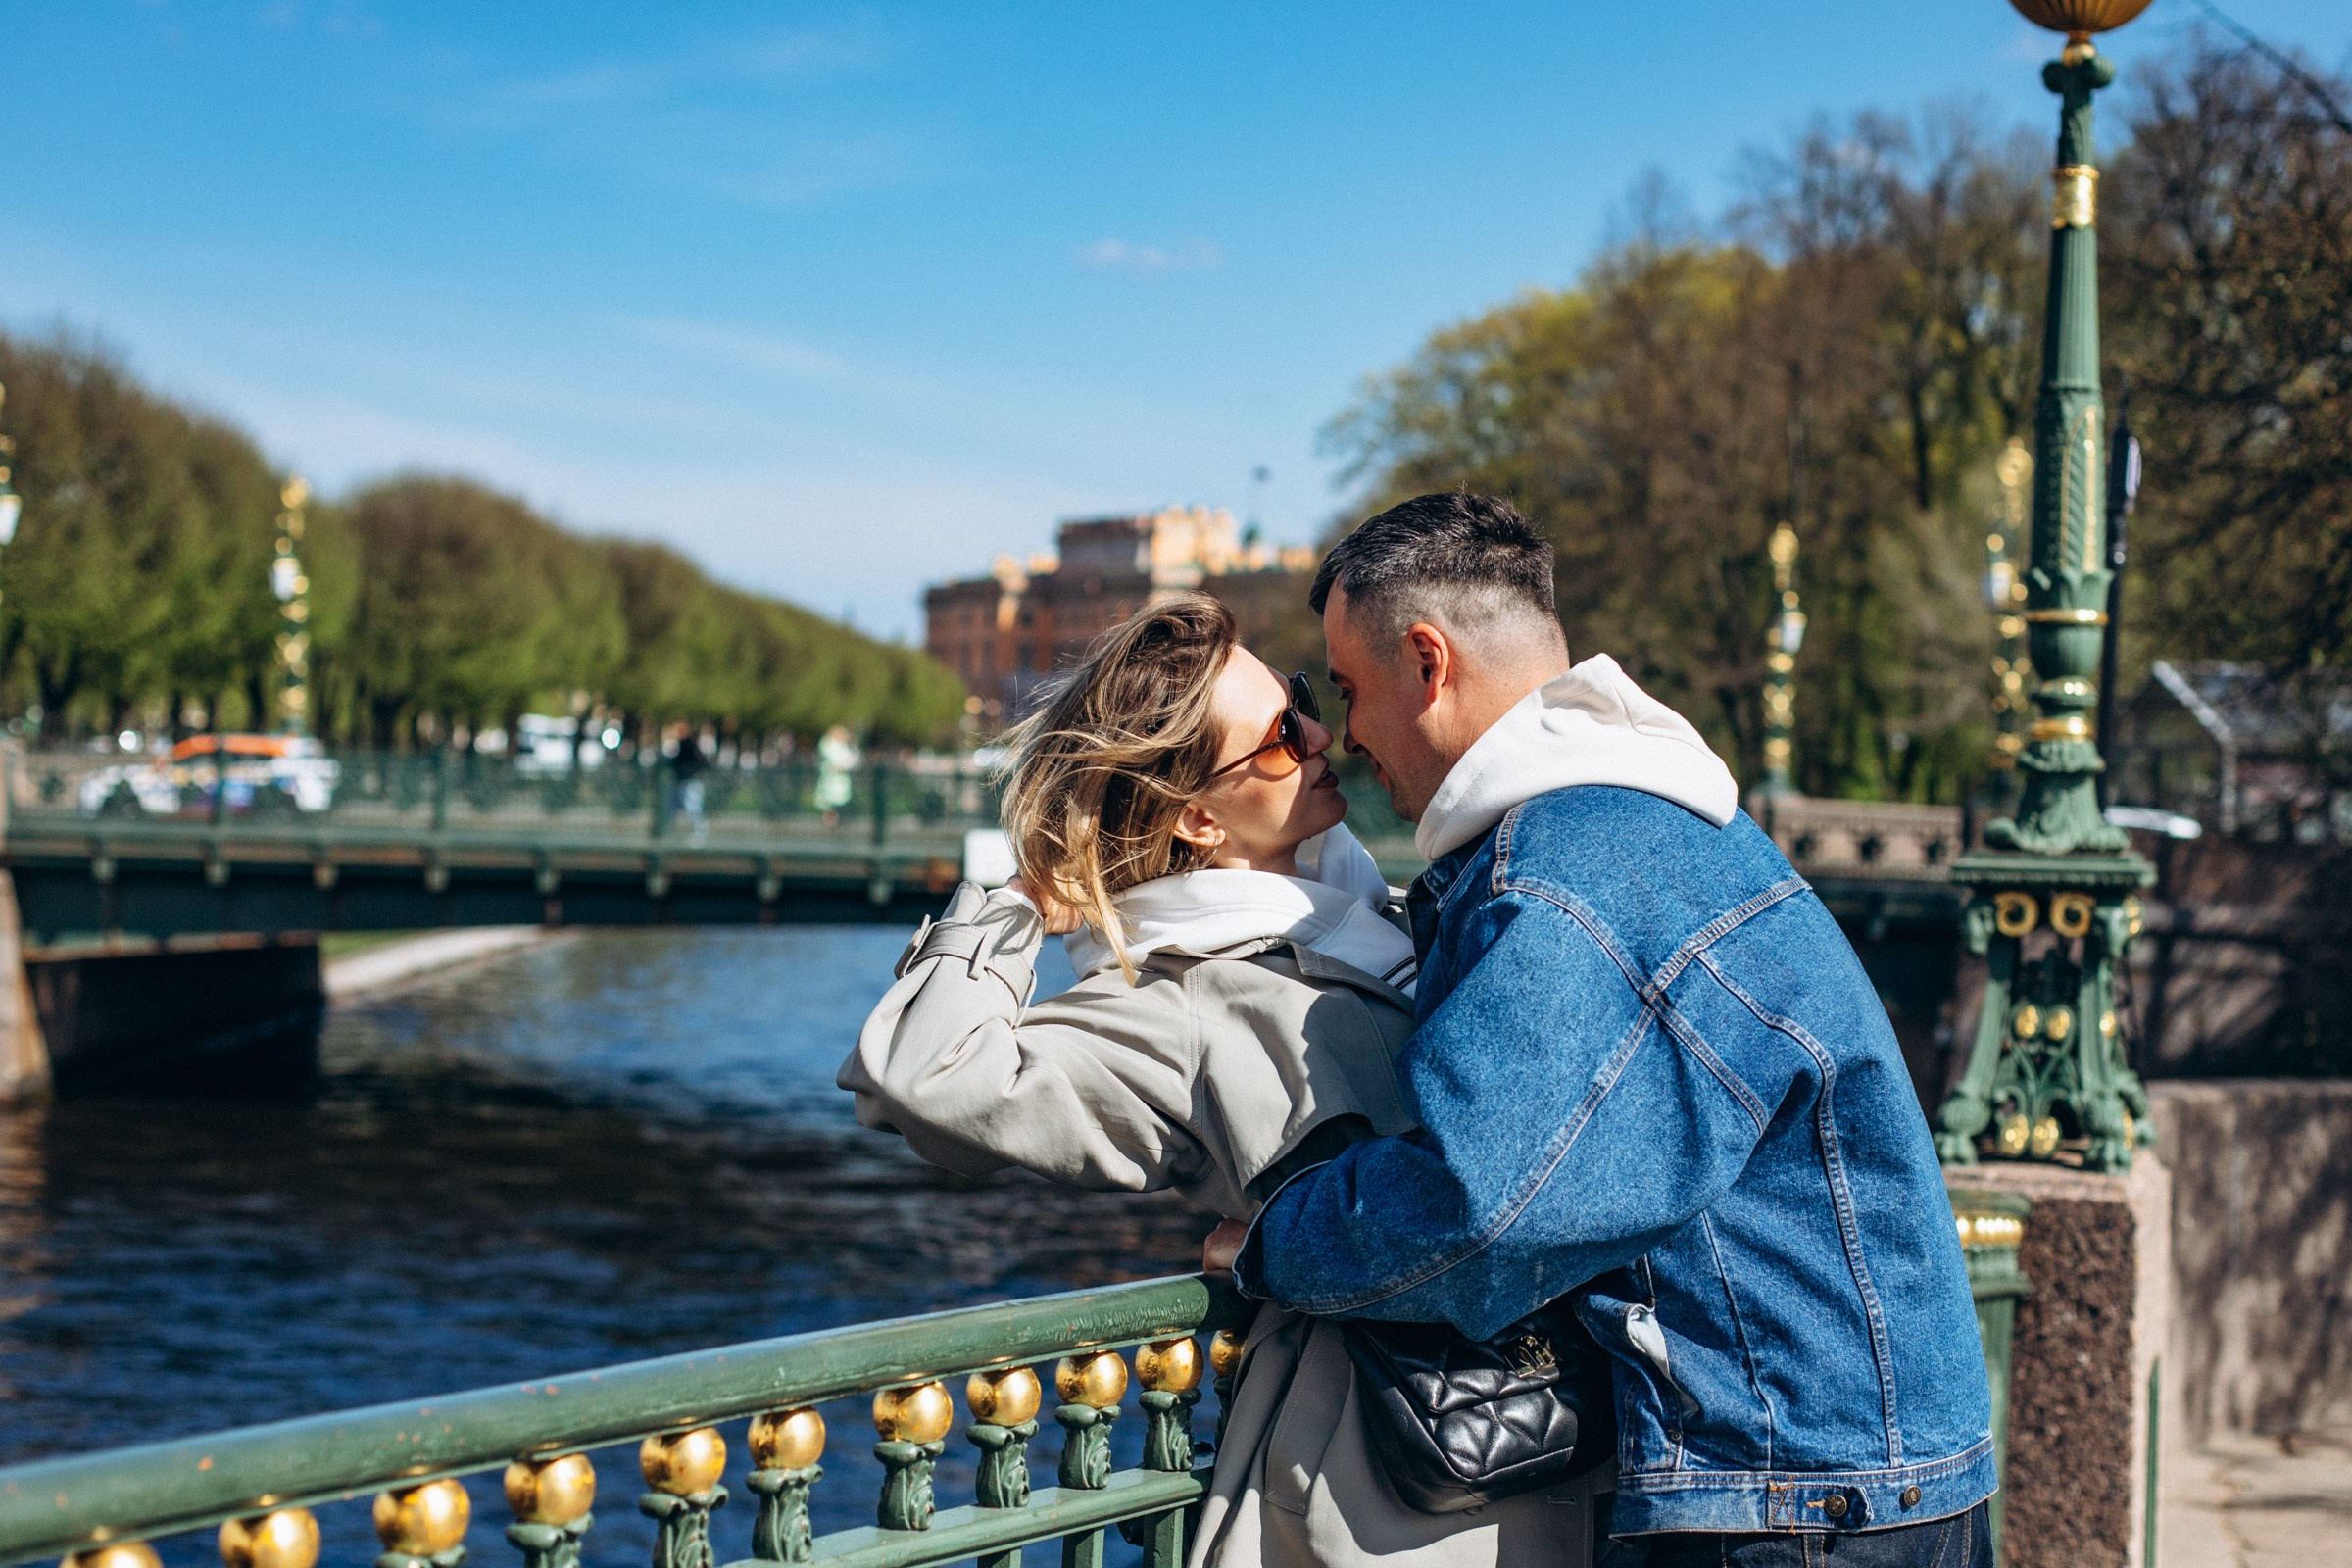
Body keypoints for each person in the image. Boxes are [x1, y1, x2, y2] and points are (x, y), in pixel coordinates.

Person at [1204, 493, 1995, 1567]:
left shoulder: (1559, 872)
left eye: (1349, 689)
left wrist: (1272, 1242)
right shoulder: (1659, 818)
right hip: (1874, 1469)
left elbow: (1481, 1207)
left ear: (1429, 664)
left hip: (1781, 1497)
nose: (1344, 734)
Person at [841, 593, 1590, 1568]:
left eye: (1302, 697)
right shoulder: (1177, 1000)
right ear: (1197, 814)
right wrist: (1023, 898)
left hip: (1553, 1443)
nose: (1318, 732)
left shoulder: (1387, 915)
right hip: (1393, 1489)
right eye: (1281, 734)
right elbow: (923, 1075)